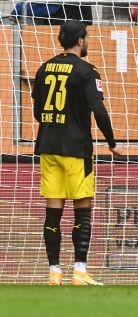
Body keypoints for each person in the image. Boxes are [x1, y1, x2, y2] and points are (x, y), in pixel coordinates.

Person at [32, 20, 120, 285]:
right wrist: (112, 141)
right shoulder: (87, 70)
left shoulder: (44, 68)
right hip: (76, 148)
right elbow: (99, 109)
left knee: (54, 208)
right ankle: (79, 271)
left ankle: (54, 273)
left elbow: (38, 111)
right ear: (81, 40)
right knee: (82, 207)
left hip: (48, 145)